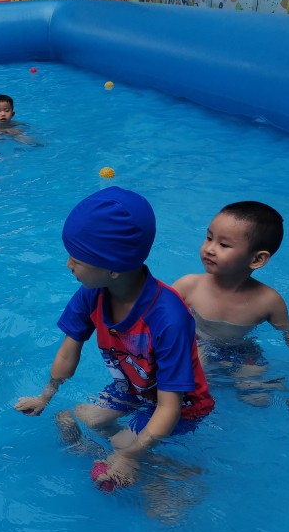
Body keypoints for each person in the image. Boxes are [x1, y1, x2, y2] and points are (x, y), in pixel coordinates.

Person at [14, 187, 214, 490]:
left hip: (181, 405)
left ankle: (170, 472)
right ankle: (135, 457)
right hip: (133, 387)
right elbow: (68, 353)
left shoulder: (169, 318)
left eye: (77, 259)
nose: (68, 265)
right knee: (85, 417)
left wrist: (129, 456)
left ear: (113, 269)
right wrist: (45, 396)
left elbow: (169, 408)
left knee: (125, 450)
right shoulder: (92, 293)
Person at [172, 201, 289, 383]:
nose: (209, 249)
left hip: (242, 349)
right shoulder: (190, 285)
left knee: (255, 394)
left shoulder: (268, 301)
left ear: (257, 259)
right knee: (197, 371)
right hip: (199, 342)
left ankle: (273, 390)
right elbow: (158, 315)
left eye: (224, 245)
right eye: (209, 238)